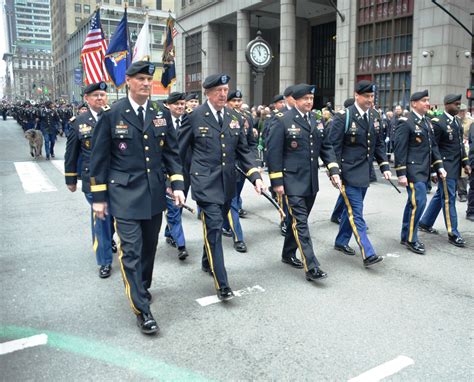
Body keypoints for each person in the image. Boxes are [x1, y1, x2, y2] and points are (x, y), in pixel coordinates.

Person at [90, 61, 185, 335]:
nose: (146, 83)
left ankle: (142, 287)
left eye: (149, 79)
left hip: (154, 193)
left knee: (148, 248)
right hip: (124, 195)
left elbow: (172, 154)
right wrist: (99, 198)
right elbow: (99, 159)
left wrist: (176, 183)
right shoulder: (112, 114)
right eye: (141, 78)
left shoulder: (159, 112)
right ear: (128, 81)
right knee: (130, 250)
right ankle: (142, 309)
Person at [178, 73, 265, 301]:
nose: (223, 94)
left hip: (228, 183)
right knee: (214, 227)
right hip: (205, 184)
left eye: (226, 90)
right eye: (218, 91)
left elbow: (244, 150)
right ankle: (222, 282)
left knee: (214, 229)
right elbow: (179, 151)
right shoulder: (195, 116)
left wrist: (255, 175)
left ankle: (208, 261)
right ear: (207, 92)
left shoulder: (235, 117)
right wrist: (177, 182)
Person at [267, 83, 341, 280]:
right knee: (301, 224)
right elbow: (273, 153)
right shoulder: (282, 120)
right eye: (305, 99)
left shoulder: (316, 120)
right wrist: (277, 182)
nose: (309, 102)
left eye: (311, 99)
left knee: (297, 220)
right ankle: (311, 266)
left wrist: (333, 169)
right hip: (291, 181)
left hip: (310, 181)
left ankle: (287, 253)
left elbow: (326, 147)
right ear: (295, 100)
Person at [328, 80, 391, 267]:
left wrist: (385, 167)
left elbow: (378, 143)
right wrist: (334, 172)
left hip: (365, 172)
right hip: (347, 172)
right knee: (356, 212)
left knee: (352, 210)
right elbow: (333, 146)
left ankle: (341, 241)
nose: (370, 100)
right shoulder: (344, 116)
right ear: (357, 95)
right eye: (366, 96)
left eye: (372, 96)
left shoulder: (374, 115)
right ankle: (368, 252)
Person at [64, 82, 115, 278]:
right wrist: (70, 179)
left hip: (115, 177)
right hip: (92, 179)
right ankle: (104, 261)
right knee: (101, 219)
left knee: (115, 217)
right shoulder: (79, 122)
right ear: (87, 98)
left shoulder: (115, 116)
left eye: (103, 95)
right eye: (96, 96)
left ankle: (109, 239)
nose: (100, 98)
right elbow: (71, 152)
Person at [394, 90, 446, 255]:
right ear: (414, 103)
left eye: (428, 100)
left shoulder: (427, 122)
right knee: (420, 202)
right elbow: (400, 149)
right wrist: (401, 173)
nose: (427, 103)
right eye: (424, 100)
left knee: (413, 203)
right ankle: (411, 239)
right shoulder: (406, 122)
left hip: (424, 170)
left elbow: (433, 148)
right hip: (413, 170)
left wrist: (437, 168)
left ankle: (405, 235)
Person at [418, 94, 471, 247]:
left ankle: (425, 222)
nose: (458, 106)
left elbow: (460, 145)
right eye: (456, 104)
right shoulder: (438, 123)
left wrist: (465, 162)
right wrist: (434, 169)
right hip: (445, 168)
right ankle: (453, 233)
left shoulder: (456, 122)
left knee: (441, 195)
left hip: (455, 167)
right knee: (449, 200)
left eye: (459, 104)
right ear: (447, 105)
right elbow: (433, 148)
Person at [163, 91, 189, 260]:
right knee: (174, 208)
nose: (180, 107)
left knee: (177, 208)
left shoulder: (190, 120)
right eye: (176, 104)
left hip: (185, 173)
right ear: (168, 105)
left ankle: (169, 232)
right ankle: (181, 245)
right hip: (167, 174)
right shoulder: (160, 121)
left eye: (182, 104)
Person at [457, 104, 472, 202]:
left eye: (463, 111)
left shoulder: (470, 122)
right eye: (460, 111)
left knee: (464, 171)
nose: (461, 113)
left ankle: (463, 192)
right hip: (455, 148)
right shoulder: (454, 120)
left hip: (467, 148)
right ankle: (458, 191)